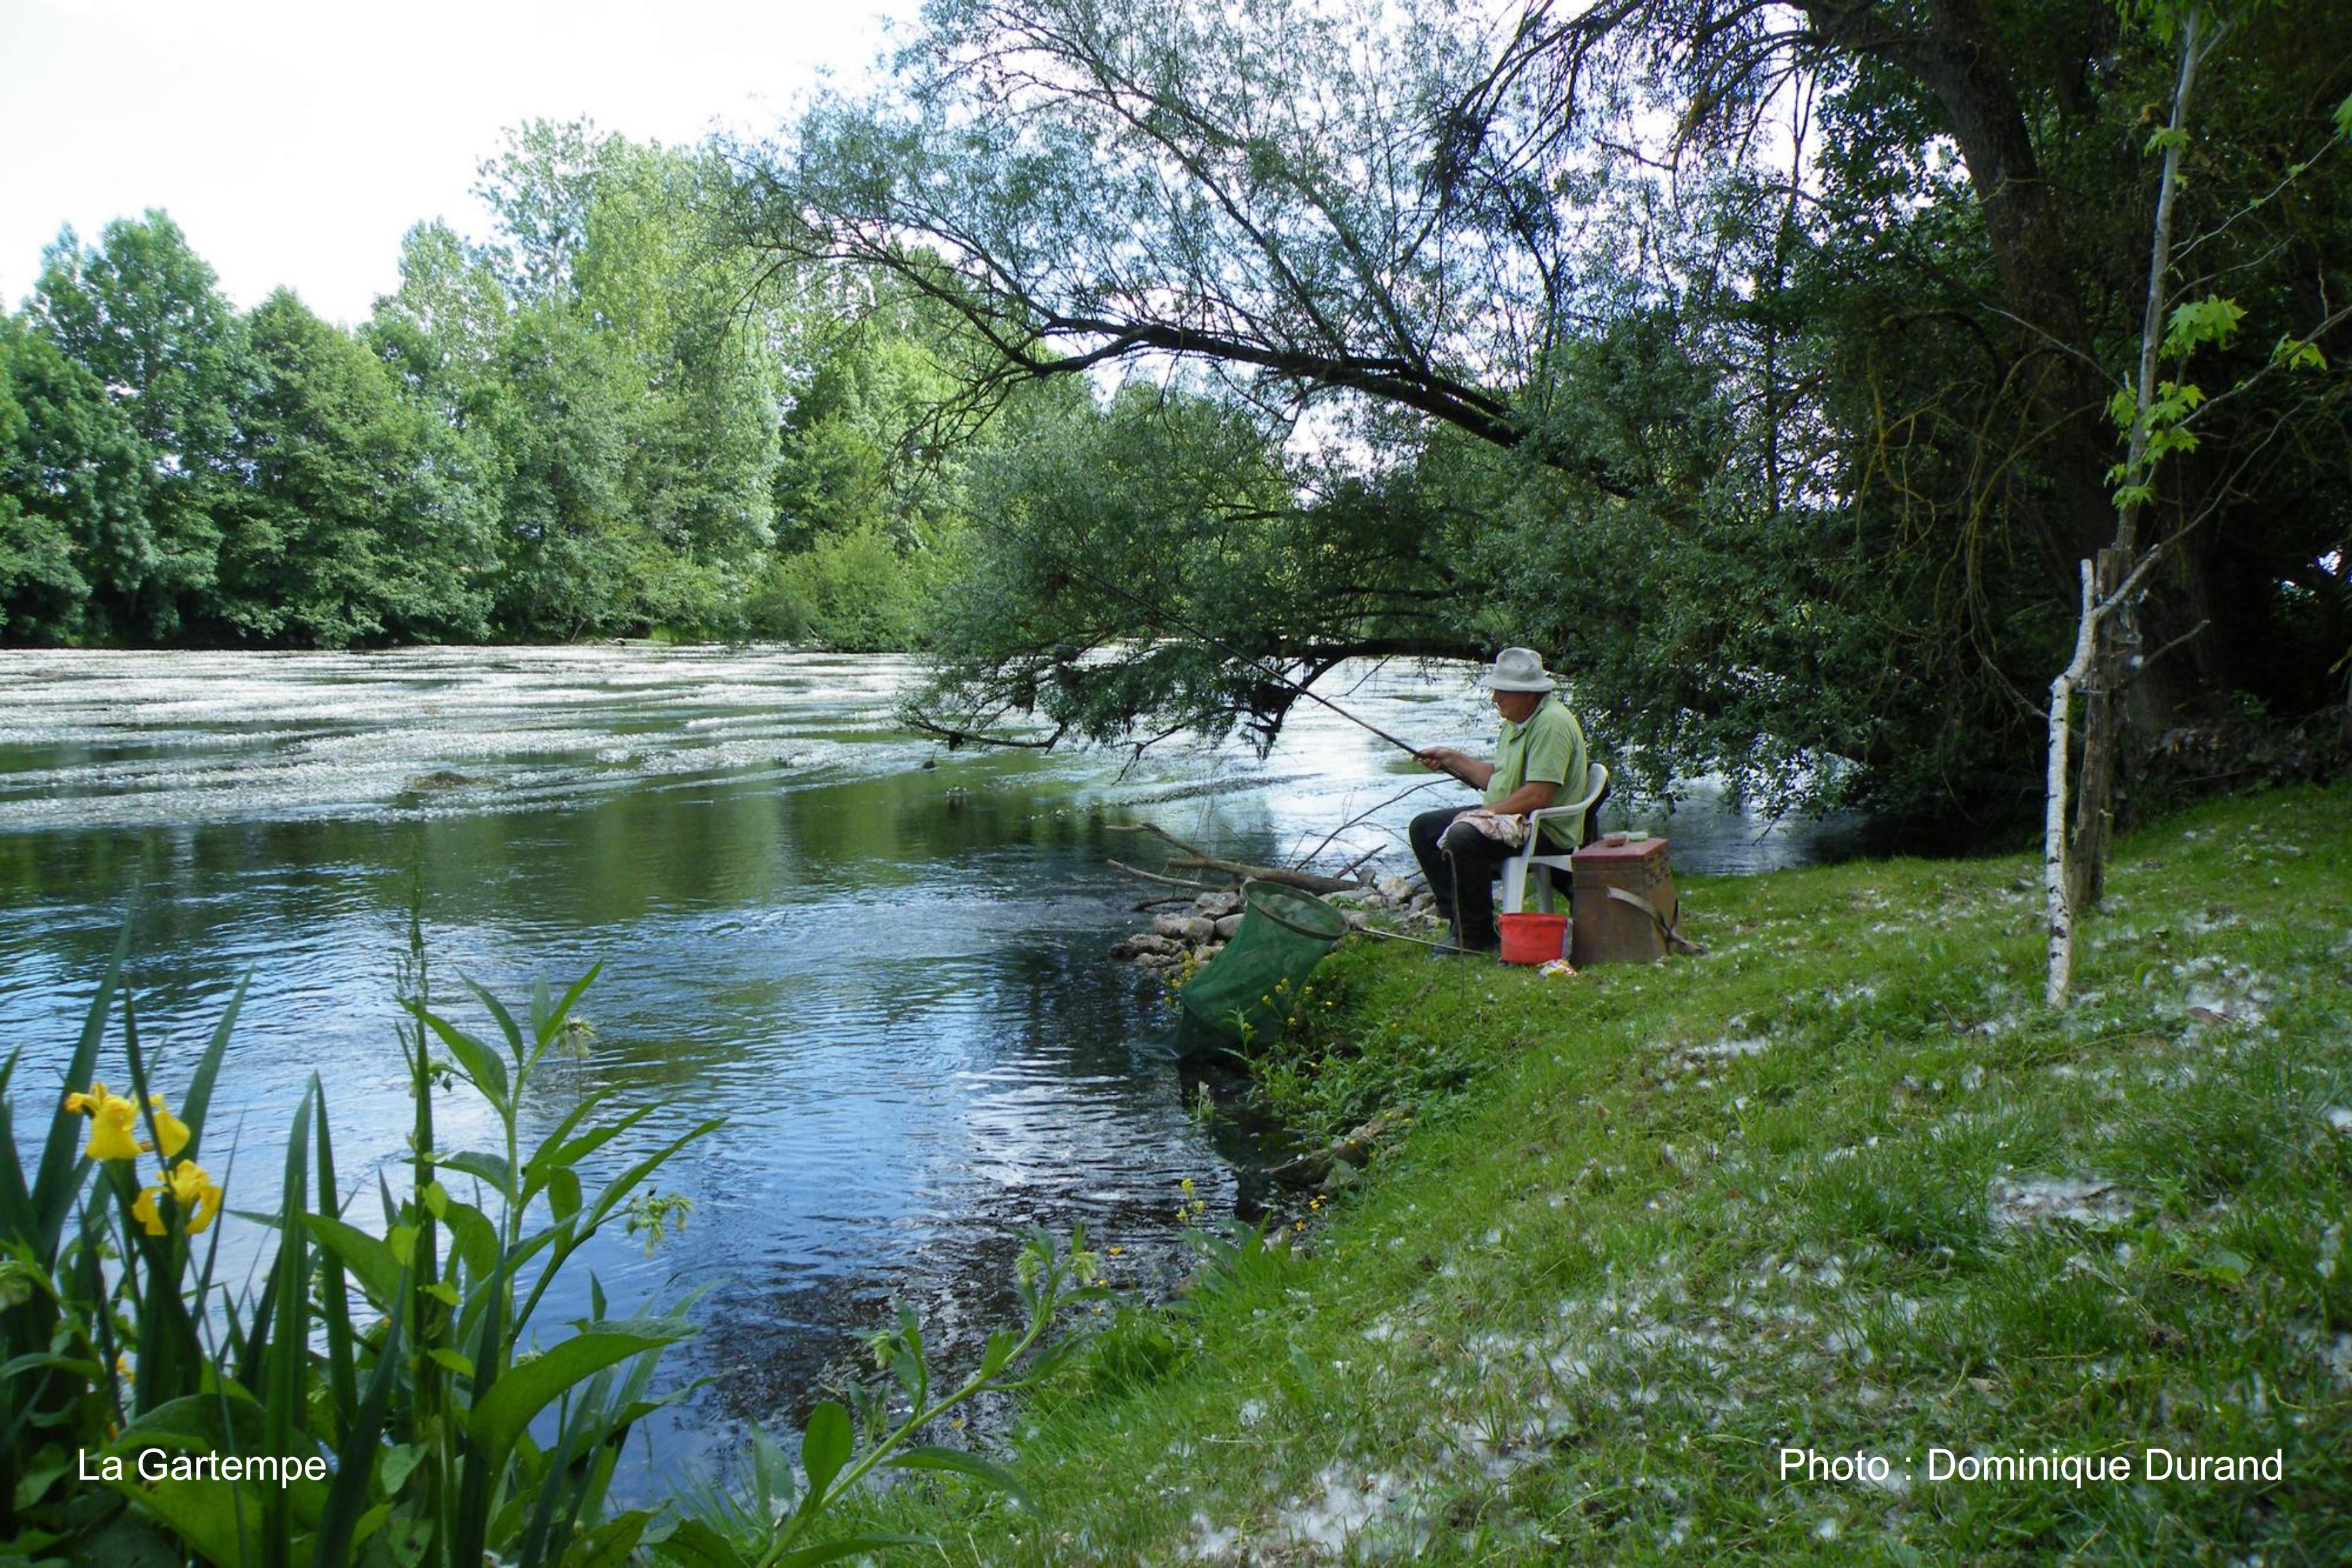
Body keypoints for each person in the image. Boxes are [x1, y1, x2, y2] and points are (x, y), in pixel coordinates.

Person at [1408, 647, 1590, 954]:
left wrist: (1481, 814)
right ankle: (1462, 923)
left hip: (1544, 829)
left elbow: (1538, 795)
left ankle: (1476, 935)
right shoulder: (1517, 721)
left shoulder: (1551, 724)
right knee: (1424, 828)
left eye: (1503, 691)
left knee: (1462, 835)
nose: (1495, 698)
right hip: (1513, 816)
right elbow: (1497, 778)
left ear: (1529, 693)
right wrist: (1451, 758)